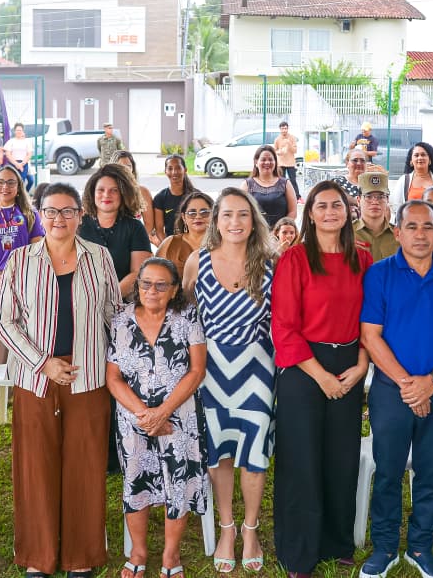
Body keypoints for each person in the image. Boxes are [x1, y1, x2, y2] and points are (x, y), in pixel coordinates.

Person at [0, 182, 121, 578]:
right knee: (36, 466)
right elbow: (4, 320)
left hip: (88, 377)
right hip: (37, 379)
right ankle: (39, 556)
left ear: (80, 216)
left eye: (67, 211)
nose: (59, 219)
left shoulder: (99, 258)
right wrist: (41, 362)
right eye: (51, 211)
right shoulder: (20, 260)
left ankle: (81, 556)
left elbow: (114, 314)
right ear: (39, 215)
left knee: (85, 464)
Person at [358, 199, 433, 578]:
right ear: (398, 232)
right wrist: (410, 386)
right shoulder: (378, 275)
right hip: (393, 391)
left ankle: (421, 547)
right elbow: (370, 336)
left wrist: (432, 382)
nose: (420, 234)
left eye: (428, 227)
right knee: (388, 471)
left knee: (430, 472)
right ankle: (386, 546)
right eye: (412, 226)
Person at [271, 181, 372, 576]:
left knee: (341, 455)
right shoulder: (294, 259)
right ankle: (300, 550)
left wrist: (362, 364)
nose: (330, 212)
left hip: (349, 361)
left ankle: (336, 540)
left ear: (348, 212)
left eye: (337, 205)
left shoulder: (362, 260)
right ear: (309, 213)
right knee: (302, 458)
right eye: (322, 205)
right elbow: (284, 326)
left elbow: (371, 320)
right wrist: (321, 376)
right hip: (303, 365)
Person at [182, 189, 275, 575]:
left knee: (254, 454)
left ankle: (251, 530)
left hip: (257, 369)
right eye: (227, 215)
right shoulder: (197, 261)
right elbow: (185, 318)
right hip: (211, 369)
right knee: (218, 451)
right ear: (216, 221)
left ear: (253, 221)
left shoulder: (271, 263)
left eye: (243, 215)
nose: (235, 222)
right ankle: (227, 528)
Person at [108, 258, 208, 578]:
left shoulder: (187, 317)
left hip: (180, 413)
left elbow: (197, 370)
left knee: (177, 483)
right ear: (137, 286)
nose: (152, 290)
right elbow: (113, 378)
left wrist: (163, 413)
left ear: (174, 289)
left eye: (161, 284)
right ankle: (138, 551)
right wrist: (144, 416)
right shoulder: (121, 320)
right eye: (146, 283)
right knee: (136, 478)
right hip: (133, 415)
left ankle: (170, 554)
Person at [79, 164, 152, 297]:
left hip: (121, 301)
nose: (106, 195)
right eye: (101, 190)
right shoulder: (78, 224)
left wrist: (109, 299)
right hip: (81, 300)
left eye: (114, 190)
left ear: (124, 194)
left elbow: (138, 273)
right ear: (92, 192)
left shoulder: (135, 228)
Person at [156, 191, 212, 274]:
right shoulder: (169, 243)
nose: (198, 216)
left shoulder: (222, 243)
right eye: (192, 213)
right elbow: (156, 274)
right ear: (184, 217)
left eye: (204, 213)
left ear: (213, 214)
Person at [246, 145, 297, 228]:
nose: (267, 162)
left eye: (270, 159)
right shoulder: (247, 185)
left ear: (275, 162)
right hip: (256, 235)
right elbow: (242, 213)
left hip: (280, 236)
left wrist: (278, 231)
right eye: (263, 159)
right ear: (256, 162)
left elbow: (293, 212)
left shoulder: (285, 184)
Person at [353, 171, 398, 261]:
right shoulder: (348, 233)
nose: (375, 202)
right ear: (358, 200)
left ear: (387, 200)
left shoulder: (398, 235)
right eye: (368, 196)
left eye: (381, 197)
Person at [152, 154, 196, 244]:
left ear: (185, 170)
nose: (174, 172)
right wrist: (169, 247)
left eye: (178, 168)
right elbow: (159, 230)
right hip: (171, 244)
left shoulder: (196, 196)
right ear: (165, 171)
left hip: (194, 244)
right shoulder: (160, 198)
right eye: (170, 168)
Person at [114, 151, 156, 240]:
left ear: (133, 169)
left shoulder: (142, 192)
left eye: (128, 166)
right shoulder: (106, 192)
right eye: (120, 166)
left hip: (134, 241)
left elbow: (149, 224)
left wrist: (135, 241)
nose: (125, 169)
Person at [389, 142, 433, 211]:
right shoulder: (404, 180)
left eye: (423, 155)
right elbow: (397, 206)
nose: (420, 158)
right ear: (411, 161)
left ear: (430, 160)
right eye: (416, 155)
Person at [1, 123, 34, 190]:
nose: (19, 132)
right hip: (13, 164)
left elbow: (29, 154)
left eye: (20, 130)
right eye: (17, 130)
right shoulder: (11, 141)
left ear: (23, 131)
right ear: (14, 131)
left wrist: (22, 164)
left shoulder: (27, 142)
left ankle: (23, 197)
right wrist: (17, 164)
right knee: (13, 182)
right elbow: (8, 154)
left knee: (21, 182)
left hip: (23, 164)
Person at [274, 121, 301, 200]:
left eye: (285, 128)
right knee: (281, 181)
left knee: (293, 180)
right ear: (280, 129)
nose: (284, 130)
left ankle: (297, 196)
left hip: (290, 163)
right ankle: (282, 196)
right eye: (282, 129)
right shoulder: (277, 139)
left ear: (288, 128)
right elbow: (275, 150)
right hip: (281, 163)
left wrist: (289, 144)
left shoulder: (292, 138)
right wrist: (279, 152)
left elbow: (295, 151)